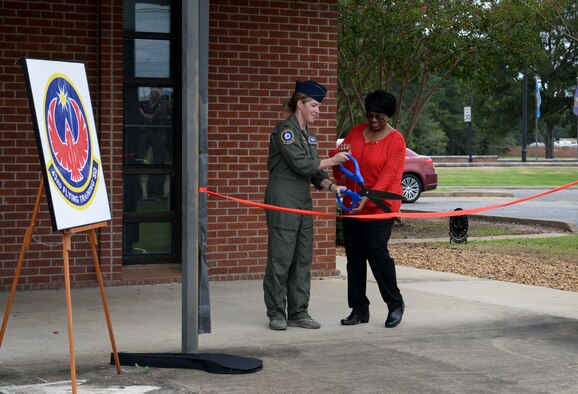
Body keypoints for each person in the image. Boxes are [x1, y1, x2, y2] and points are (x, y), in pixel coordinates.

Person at [264, 80, 349, 331]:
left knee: (302, 259)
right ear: (299, 104)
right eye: (313, 105)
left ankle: (299, 312)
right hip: (284, 202)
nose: (317, 110)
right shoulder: (285, 132)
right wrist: (332, 160)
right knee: (280, 260)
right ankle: (277, 313)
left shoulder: (308, 136)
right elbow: (302, 165)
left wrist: (333, 187)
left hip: (302, 203)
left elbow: (314, 172)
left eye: (319, 106)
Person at [332, 89, 406, 328]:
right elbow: (342, 163)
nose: (374, 121)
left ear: (388, 117)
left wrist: (369, 197)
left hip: (379, 205)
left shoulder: (395, 140)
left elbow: (390, 175)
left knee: (376, 252)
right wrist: (340, 156)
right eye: (370, 115)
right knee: (354, 257)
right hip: (354, 204)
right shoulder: (355, 132)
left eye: (380, 117)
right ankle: (358, 309)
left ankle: (395, 304)